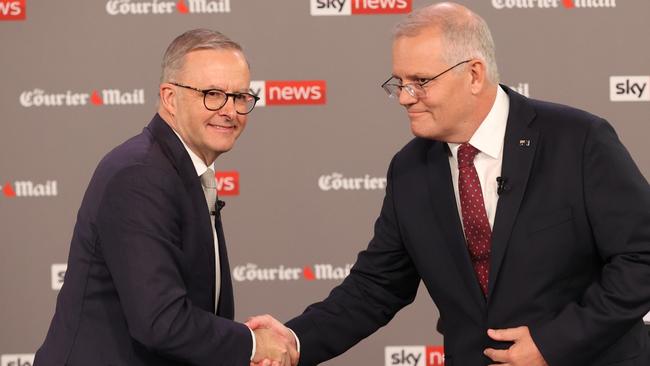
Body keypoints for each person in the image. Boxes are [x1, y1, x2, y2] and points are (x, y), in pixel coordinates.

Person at [248, 3, 650, 365]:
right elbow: (376, 286)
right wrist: (296, 341)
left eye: (421, 81)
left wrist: (554, 343)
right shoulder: (410, 169)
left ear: (474, 74)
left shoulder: (577, 140)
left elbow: (641, 257)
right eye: (399, 82)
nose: (405, 97)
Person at [34, 29, 297, 366]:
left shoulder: (176, 168)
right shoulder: (141, 175)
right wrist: (251, 344)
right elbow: (161, 321)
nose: (230, 110)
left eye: (241, 96)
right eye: (213, 94)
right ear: (170, 98)